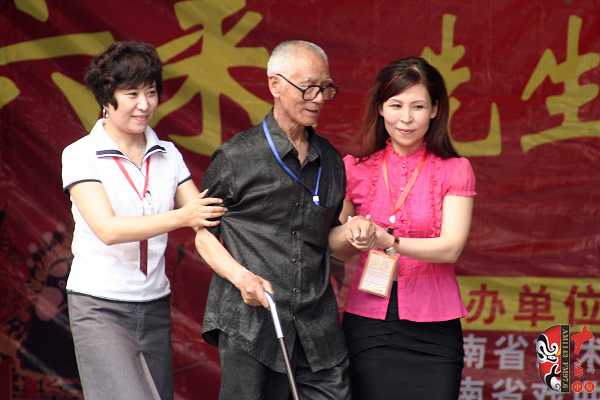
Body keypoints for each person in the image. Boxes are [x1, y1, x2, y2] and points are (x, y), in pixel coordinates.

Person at [61, 41, 226, 400]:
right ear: (106, 98)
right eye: (132, 93)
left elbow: (202, 218)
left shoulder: (168, 154)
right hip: (98, 305)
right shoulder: (80, 155)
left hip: (154, 303)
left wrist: (243, 273)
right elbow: (107, 229)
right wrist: (182, 216)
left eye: (151, 92)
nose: (144, 104)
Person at [194, 40, 351, 400]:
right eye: (307, 87)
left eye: (326, 88)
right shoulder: (236, 156)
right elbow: (203, 234)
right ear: (275, 85)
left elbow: (330, 237)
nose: (318, 98)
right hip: (251, 323)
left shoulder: (331, 161)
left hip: (317, 325)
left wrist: (355, 233)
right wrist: (242, 278)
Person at [334, 57, 476, 399]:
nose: (406, 118)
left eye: (418, 106)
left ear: (435, 110)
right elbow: (335, 247)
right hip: (369, 321)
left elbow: (451, 248)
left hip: (435, 326)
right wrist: (353, 232)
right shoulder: (354, 168)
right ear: (381, 108)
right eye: (396, 105)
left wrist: (388, 241)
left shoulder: (455, 169)